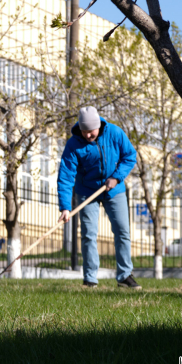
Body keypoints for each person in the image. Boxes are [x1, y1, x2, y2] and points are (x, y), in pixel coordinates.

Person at [57, 106, 140, 290]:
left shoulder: (115, 133)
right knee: (88, 234)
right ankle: (90, 279)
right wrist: (65, 207)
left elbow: (129, 156)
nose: (88, 135)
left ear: (98, 126)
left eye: (91, 131)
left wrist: (116, 177)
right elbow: (66, 175)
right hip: (87, 192)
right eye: (84, 131)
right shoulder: (74, 144)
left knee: (122, 232)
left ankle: (125, 276)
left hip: (115, 190)